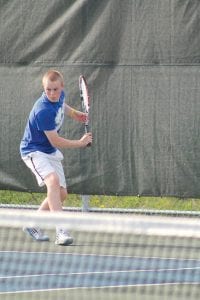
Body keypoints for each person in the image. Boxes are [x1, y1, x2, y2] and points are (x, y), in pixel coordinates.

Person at [20, 70, 92, 245]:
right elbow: (56, 140)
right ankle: (61, 230)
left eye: (55, 89)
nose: (52, 93)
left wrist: (76, 114)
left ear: (62, 87)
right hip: (33, 151)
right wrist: (80, 143)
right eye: (48, 90)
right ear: (44, 89)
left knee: (61, 194)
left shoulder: (60, 96)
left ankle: (33, 224)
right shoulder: (42, 110)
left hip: (49, 151)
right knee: (52, 181)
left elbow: (62, 106)